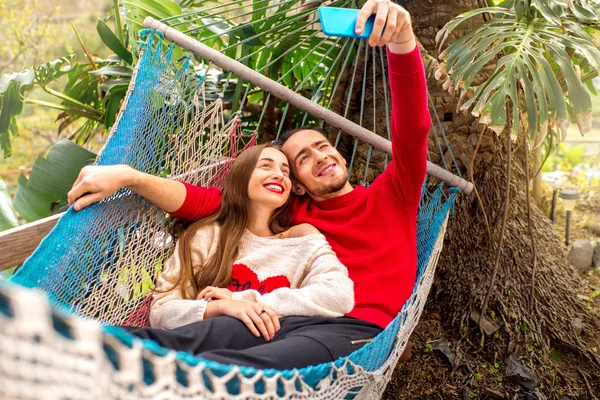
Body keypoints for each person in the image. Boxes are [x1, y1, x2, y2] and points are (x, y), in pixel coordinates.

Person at [69, 0, 427, 368]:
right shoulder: (291, 213)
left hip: (359, 330)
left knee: (238, 369)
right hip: (282, 318)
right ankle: (69, 349)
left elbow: (413, 129)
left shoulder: (393, 195)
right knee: (172, 343)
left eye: (323, 146)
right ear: (297, 184)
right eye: (302, 159)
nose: (320, 156)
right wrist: (128, 176)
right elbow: (207, 203)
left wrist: (403, 41)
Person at [124, 143, 356, 361]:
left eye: (285, 171)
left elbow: (338, 295)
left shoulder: (302, 239)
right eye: (266, 166)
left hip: (269, 353)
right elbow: (161, 312)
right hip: (196, 344)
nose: (279, 175)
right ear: (241, 176)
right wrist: (220, 307)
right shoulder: (207, 235)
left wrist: (240, 298)